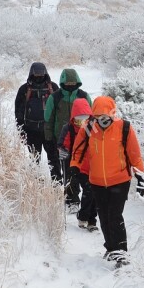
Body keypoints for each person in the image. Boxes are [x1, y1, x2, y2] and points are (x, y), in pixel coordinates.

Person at [70, 96, 144, 268]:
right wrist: (74, 167)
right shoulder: (88, 128)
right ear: (93, 116)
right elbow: (78, 150)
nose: (103, 121)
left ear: (113, 114)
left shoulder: (124, 128)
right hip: (97, 181)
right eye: (98, 117)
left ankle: (121, 253)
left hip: (120, 180)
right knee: (104, 216)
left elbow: (134, 155)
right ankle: (111, 248)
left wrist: (141, 175)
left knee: (115, 215)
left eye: (106, 117)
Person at [44, 68, 92, 204]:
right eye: (68, 83)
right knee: (67, 169)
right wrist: (48, 138)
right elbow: (48, 119)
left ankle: (84, 198)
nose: (70, 86)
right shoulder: (55, 97)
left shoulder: (84, 96)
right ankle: (71, 198)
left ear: (77, 82)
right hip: (62, 140)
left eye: (73, 83)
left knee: (82, 170)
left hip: (83, 140)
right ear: (62, 82)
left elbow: (92, 116)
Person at [58, 98, 98, 232]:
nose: (81, 122)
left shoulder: (94, 128)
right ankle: (73, 202)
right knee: (77, 187)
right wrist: (63, 151)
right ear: (73, 118)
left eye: (85, 118)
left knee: (91, 192)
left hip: (91, 166)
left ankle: (90, 219)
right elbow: (62, 143)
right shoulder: (68, 128)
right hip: (74, 164)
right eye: (78, 119)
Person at [15, 62, 59, 179]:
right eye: (36, 74)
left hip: (49, 131)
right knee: (35, 160)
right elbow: (18, 111)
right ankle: (36, 186)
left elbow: (59, 109)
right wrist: (21, 130)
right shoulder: (24, 89)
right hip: (32, 131)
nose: (38, 76)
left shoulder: (53, 88)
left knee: (54, 160)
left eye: (40, 74)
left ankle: (57, 185)